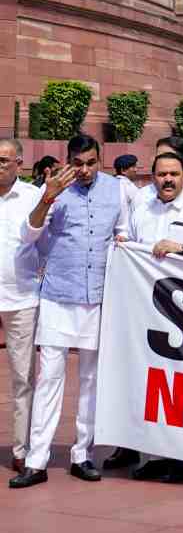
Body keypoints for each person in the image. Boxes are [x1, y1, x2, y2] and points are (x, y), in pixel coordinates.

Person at [11, 135, 129, 489]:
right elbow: (29, 234)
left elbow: (122, 233)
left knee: (91, 379)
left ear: (101, 159)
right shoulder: (50, 189)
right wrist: (47, 197)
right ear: (69, 161)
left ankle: (82, 454)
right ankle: (36, 460)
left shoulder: (118, 190)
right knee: (50, 378)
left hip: (98, 297)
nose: (85, 170)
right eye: (78, 164)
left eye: (91, 163)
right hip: (58, 296)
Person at [122, 151, 183, 484]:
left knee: (182, 385)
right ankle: (157, 455)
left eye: (174, 174)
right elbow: (131, 245)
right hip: (145, 312)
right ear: (153, 177)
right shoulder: (141, 207)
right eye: (161, 174)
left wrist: (182, 250)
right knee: (151, 384)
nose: (167, 180)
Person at [0, 139, 41, 475]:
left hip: (22, 297)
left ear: (19, 163)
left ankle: (21, 449)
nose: (0, 165)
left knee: (22, 377)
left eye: (5, 160)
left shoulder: (32, 196)